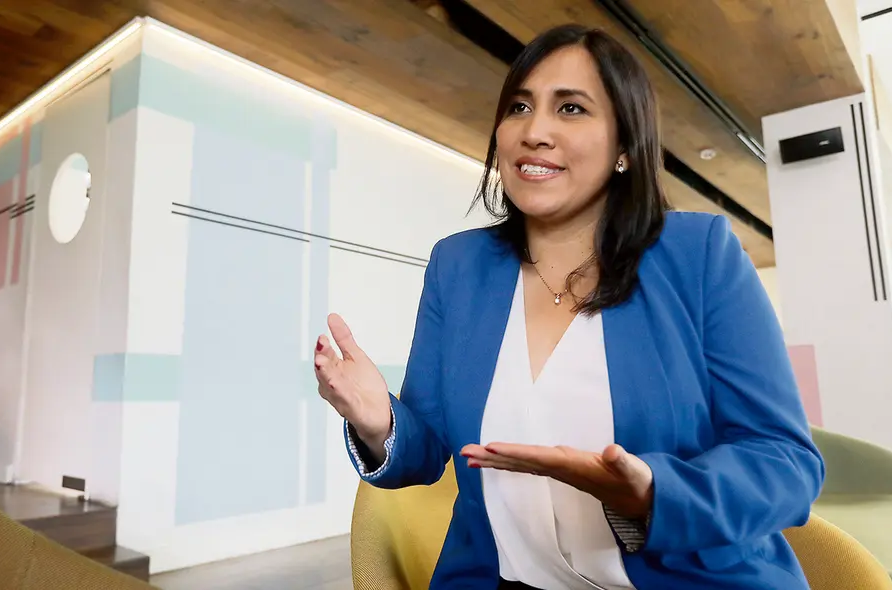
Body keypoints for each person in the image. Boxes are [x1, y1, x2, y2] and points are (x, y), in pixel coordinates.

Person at [314, 23, 824, 590]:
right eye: (519, 107)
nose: (535, 131)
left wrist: (654, 493)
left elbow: (785, 464)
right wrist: (377, 421)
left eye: (572, 109)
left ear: (625, 147)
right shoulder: (458, 267)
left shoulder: (699, 256)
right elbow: (429, 446)